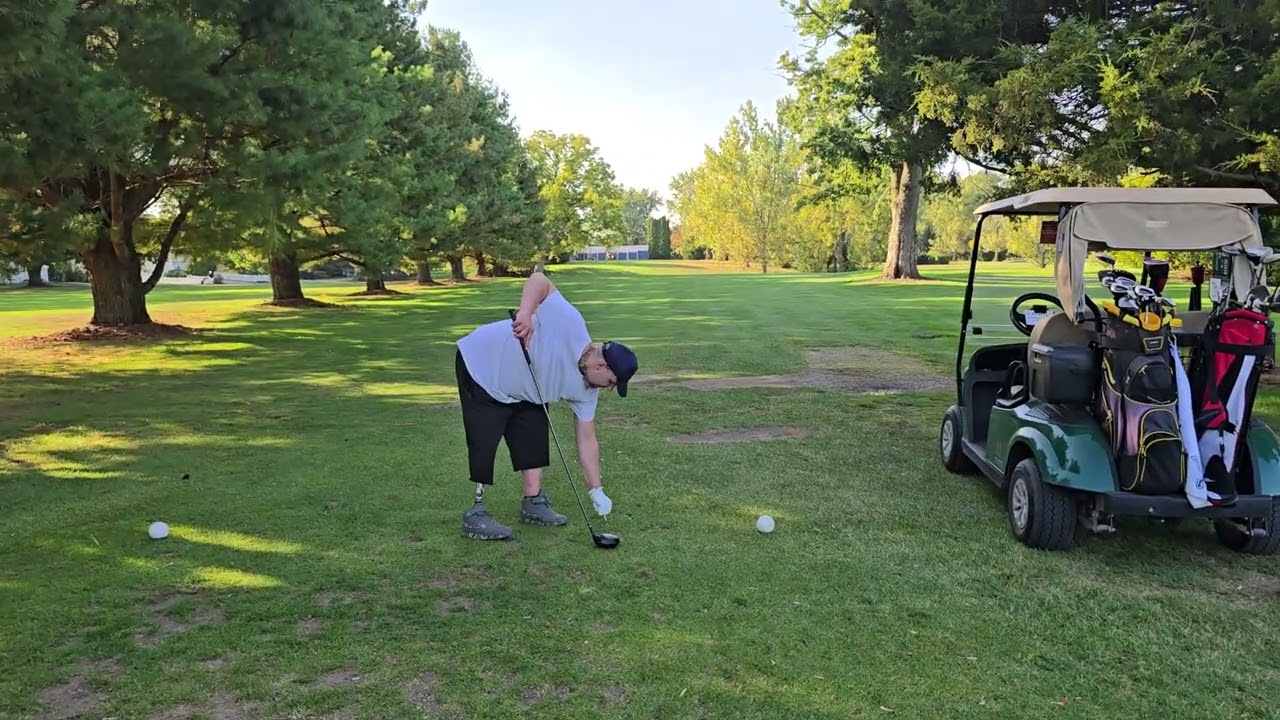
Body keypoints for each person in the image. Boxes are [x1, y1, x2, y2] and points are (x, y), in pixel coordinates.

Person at [453, 270, 638, 540]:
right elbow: (539, 280)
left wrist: (596, 489)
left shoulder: (588, 390)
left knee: (533, 433)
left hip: (527, 390)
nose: (609, 388)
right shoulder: (571, 324)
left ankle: (533, 502)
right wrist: (526, 314)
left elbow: (587, 440)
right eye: (611, 381)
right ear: (600, 365)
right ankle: (476, 513)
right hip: (482, 366)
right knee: (484, 438)